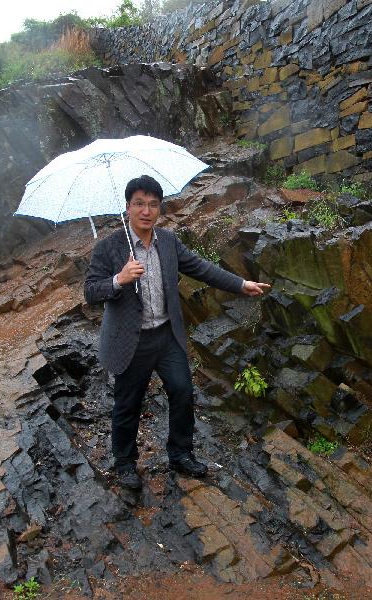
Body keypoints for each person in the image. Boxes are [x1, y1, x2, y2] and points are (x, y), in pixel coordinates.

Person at [84, 174, 270, 490]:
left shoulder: (168, 242)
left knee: (183, 392)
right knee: (127, 405)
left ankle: (180, 454)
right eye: (139, 204)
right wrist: (120, 279)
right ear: (128, 208)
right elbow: (90, 292)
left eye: (153, 205)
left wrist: (240, 284)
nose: (146, 211)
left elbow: (201, 268)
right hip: (131, 341)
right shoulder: (109, 248)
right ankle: (126, 464)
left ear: (160, 209)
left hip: (166, 335)